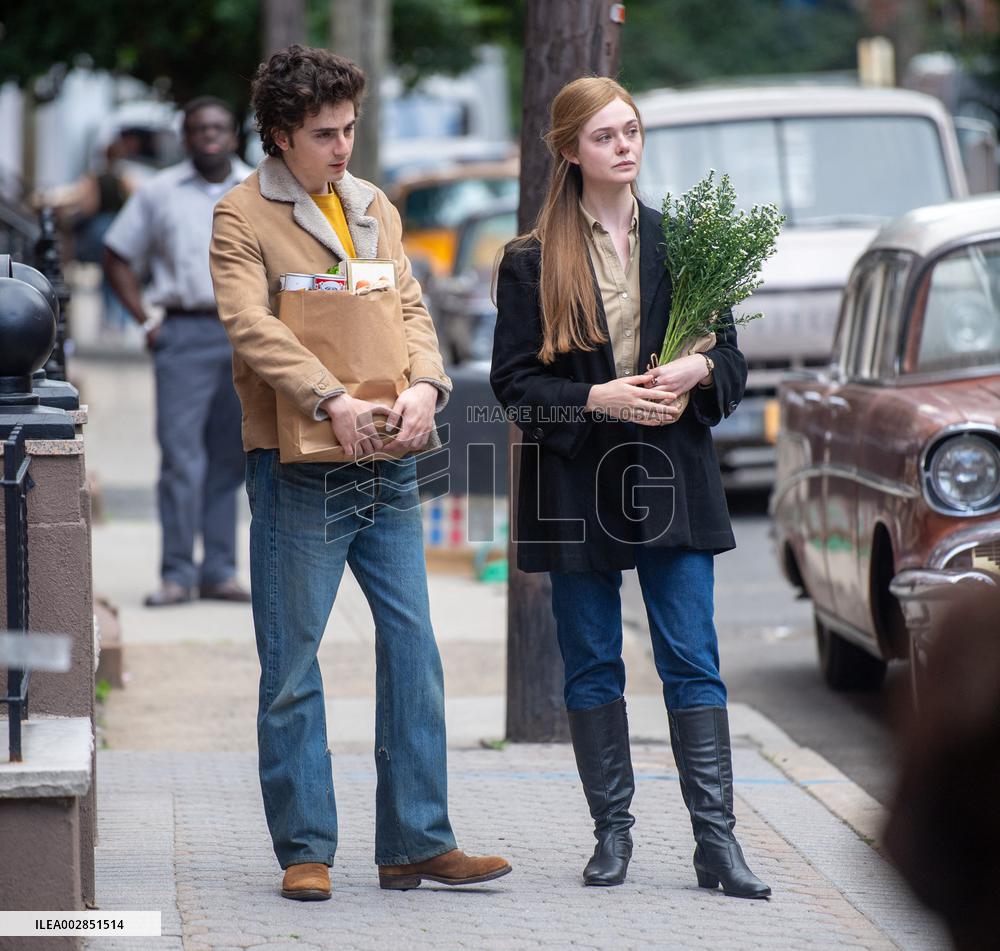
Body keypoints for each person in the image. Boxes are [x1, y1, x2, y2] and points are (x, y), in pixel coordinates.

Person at [209, 44, 510, 902]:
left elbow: (410, 306)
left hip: (388, 464)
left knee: (414, 649)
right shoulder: (241, 216)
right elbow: (249, 326)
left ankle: (416, 840)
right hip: (297, 468)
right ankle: (306, 847)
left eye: (350, 128)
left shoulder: (373, 204)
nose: (343, 147)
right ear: (278, 136)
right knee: (293, 662)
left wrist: (427, 384)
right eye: (324, 134)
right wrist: (327, 394)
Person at [490, 76, 769, 899]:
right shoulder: (530, 261)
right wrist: (595, 397)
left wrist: (699, 366)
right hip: (575, 478)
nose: (626, 146)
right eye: (607, 135)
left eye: (633, 131)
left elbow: (733, 367)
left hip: (671, 475)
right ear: (572, 150)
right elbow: (511, 384)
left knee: (693, 659)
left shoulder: (688, 244)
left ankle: (716, 844)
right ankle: (612, 835)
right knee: (592, 664)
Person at [103, 97, 253, 607]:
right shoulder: (159, 193)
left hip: (245, 338)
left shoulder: (260, 188)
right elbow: (117, 254)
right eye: (198, 128)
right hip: (183, 336)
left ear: (233, 135)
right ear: (185, 137)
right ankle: (176, 575)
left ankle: (219, 571)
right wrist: (146, 319)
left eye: (218, 127)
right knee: (180, 458)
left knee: (230, 459)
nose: (209, 135)